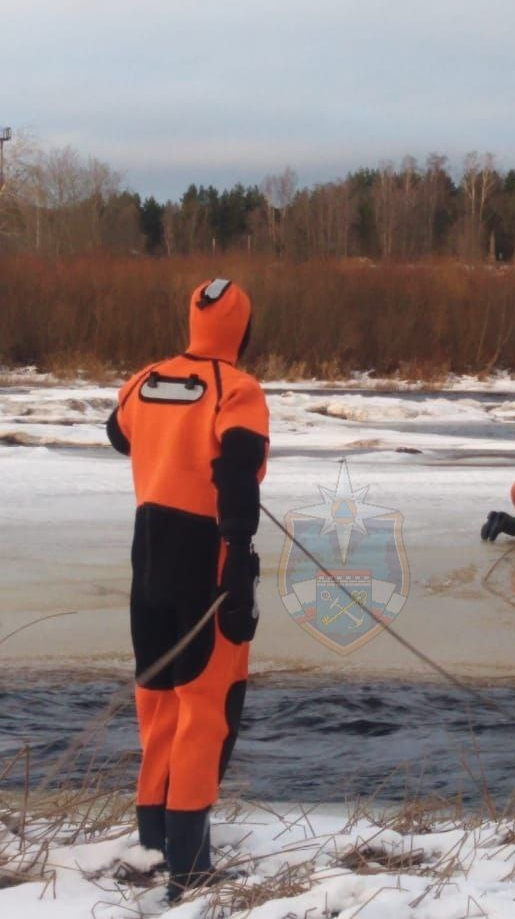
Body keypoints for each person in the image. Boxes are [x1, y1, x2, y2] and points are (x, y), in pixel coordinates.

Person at [106, 278, 269, 900]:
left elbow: (118, 434)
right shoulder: (239, 388)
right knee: (205, 706)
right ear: (243, 331)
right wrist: (237, 552)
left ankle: (153, 840)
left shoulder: (144, 379)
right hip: (207, 560)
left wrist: (167, 443)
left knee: (158, 699)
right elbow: (237, 466)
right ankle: (192, 864)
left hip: (147, 556)